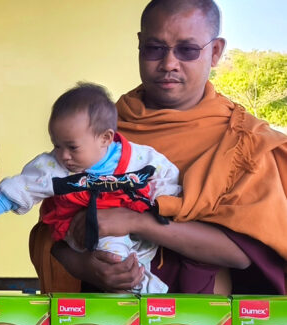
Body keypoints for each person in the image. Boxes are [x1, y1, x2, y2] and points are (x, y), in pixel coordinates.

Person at [31, 0, 287, 295]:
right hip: (107, 314)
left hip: (203, 316)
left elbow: (245, 252)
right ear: (140, 45)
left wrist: (137, 222)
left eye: (187, 50)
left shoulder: (243, 142)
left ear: (215, 51)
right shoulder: (101, 132)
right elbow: (53, 228)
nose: (169, 64)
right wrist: (83, 265)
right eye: (155, 48)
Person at [0, 83, 180, 293]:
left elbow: (166, 177)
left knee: (134, 258)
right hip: (84, 232)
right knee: (116, 259)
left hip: (134, 226)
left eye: (72, 147)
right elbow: (22, 187)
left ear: (105, 138)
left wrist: (164, 204)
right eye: (57, 145)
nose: (63, 155)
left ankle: (147, 290)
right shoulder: (55, 167)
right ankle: (150, 291)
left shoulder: (139, 159)